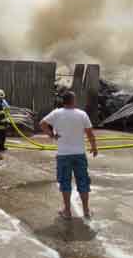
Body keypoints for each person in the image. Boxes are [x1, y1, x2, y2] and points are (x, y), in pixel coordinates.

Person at [40, 91, 98, 220]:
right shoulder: (82, 114)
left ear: (63, 101)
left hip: (63, 154)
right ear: (74, 100)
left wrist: (52, 135)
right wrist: (94, 147)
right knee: (83, 181)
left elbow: (42, 124)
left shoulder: (56, 113)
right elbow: (90, 133)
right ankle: (86, 211)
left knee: (65, 182)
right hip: (79, 154)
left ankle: (67, 211)